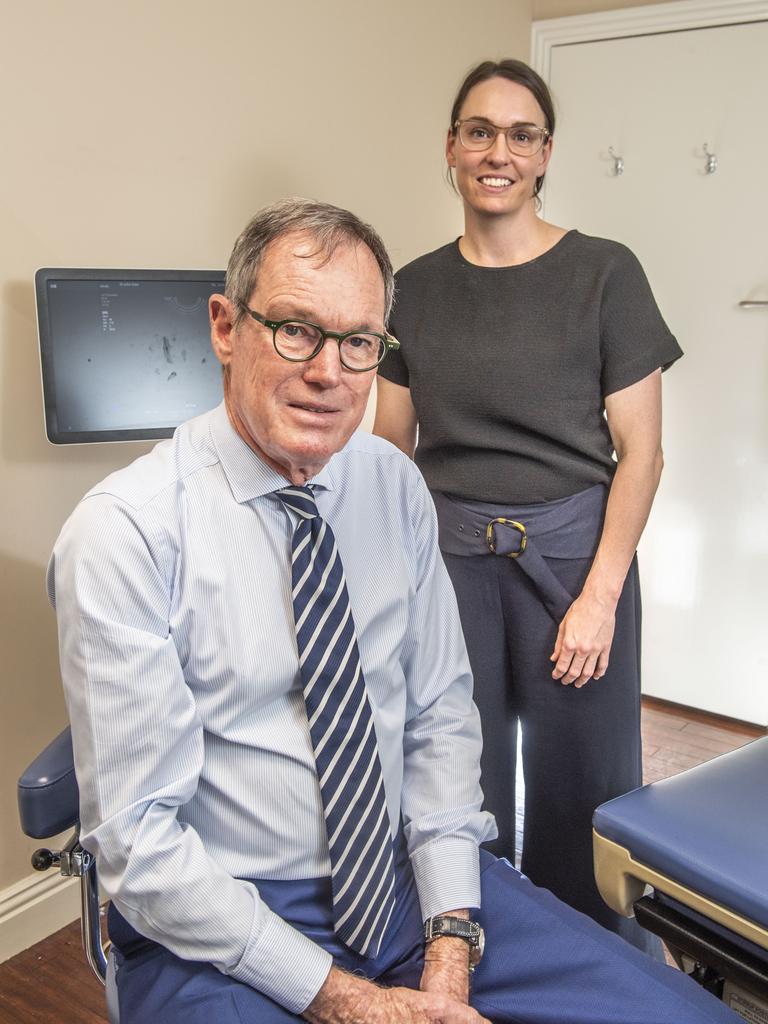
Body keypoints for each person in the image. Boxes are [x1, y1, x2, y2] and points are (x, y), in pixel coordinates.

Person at [48, 198, 736, 1024]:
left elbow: (441, 717)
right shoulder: (126, 533)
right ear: (226, 327)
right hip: (224, 913)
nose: (329, 371)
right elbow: (142, 850)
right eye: (295, 329)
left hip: (408, 879)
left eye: (359, 343)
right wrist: (352, 1003)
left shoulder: (392, 485)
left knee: (683, 1016)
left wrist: (448, 945)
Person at [373, 59, 682, 952]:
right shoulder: (413, 288)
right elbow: (391, 450)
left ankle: (587, 960)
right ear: (451, 148)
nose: (497, 152)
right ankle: (470, 945)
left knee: (581, 788)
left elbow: (644, 453)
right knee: (452, 778)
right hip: (451, 564)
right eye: (479, 131)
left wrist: (600, 597)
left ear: (545, 154)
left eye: (519, 135)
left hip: (576, 563)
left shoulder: (604, 272)